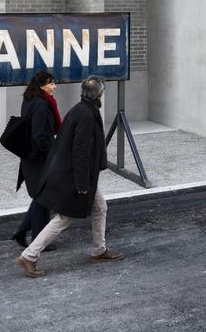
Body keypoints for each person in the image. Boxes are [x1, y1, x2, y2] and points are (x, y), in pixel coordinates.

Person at [16, 76, 124, 278]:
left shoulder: (83, 109)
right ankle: (29, 256)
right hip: (76, 177)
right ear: (99, 93)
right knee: (64, 218)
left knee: (100, 208)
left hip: (82, 175)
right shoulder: (86, 115)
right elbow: (80, 152)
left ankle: (99, 250)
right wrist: (82, 184)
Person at [11, 72, 62, 249]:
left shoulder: (30, 99)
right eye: (51, 84)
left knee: (41, 196)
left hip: (31, 156)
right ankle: (37, 239)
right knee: (43, 197)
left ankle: (24, 232)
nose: (54, 86)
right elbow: (40, 135)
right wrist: (52, 155)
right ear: (41, 85)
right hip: (39, 157)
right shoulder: (41, 105)